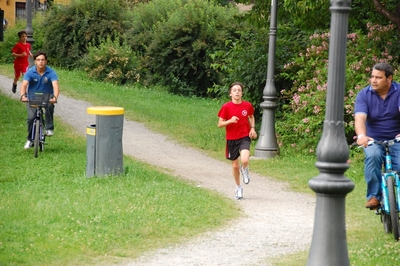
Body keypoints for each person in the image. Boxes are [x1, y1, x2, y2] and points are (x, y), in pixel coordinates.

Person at [354, 62, 400, 209]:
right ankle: (374, 196)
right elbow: (360, 118)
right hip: (373, 139)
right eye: (372, 77)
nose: (373, 80)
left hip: (397, 139)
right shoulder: (364, 95)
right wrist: (362, 135)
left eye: (378, 77)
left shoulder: (399, 91)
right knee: (372, 157)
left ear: (389, 78)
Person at [217, 82, 257, 200]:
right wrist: (230, 121)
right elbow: (220, 124)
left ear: (242, 93)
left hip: (244, 136)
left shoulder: (247, 106)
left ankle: (245, 169)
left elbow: (251, 116)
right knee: (235, 166)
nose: (237, 92)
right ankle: (238, 187)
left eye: (239, 90)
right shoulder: (226, 107)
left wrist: (253, 128)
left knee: (244, 159)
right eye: (234, 90)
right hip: (231, 139)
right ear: (230, 93)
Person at [20, 51, 60, 150]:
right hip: (33, 97)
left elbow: (56, 87)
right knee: (30, 118)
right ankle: (30, 139)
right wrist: (23, 96)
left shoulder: (51, 72)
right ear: (35, 61)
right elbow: (24, 85)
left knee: (50, 106)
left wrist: (54, 97)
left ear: (46, 61)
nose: (40, 62)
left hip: (47, 96)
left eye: (42, 60)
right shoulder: (30, 71)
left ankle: (49, 128)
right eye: (38, 60)